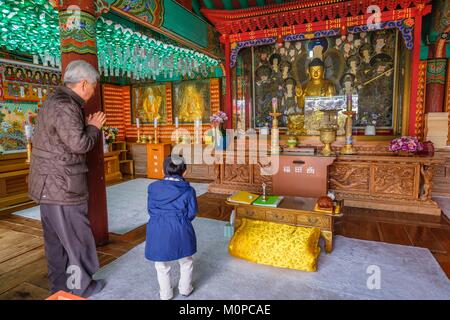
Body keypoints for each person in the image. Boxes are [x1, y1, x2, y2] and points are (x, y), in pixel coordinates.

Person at [28, 60, 106, 298]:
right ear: (83, 84)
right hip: (62, 187)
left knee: (56, 243)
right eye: (93, 87)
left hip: (48, 185)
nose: (93, 92)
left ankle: (60, 287)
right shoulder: (66, 106)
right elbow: (79, 144)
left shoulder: (53, 101)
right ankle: (81, 286)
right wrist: (93, 127)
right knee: (75, 239)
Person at [145, 155, 198, 300]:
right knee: (186, 260)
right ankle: (185, 289)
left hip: (157, 227)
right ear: (184, 172)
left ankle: (166, 294)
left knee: (161, 263)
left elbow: (150, 209)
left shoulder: (152, 187)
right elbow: (192, 213)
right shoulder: (189, 191)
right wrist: (181, 221)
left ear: (164, 170)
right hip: (180, 226)